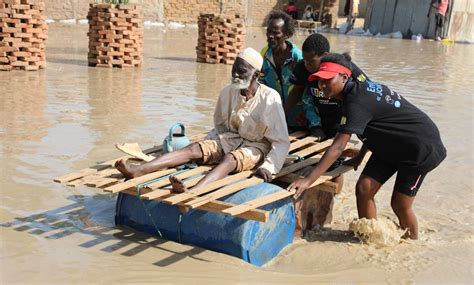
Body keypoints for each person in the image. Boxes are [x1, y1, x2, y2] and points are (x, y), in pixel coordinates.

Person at [288, 53, 446, 239]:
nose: (322, 86)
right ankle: (370, 238)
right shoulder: (353, 94)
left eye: (327, 80)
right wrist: (361, 156)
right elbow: (374, 128)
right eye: (319, 81)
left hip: (420, 149)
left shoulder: (357, 101)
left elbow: (337, 147)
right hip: (391, 145)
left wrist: (309, 180)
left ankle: (412, 243)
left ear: (345, 77)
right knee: (364, 188)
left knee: (400, 205)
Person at [115, 48, 290, 193]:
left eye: (242, 71)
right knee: (194, 148)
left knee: (230, 159)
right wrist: (209, 147)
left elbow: (281, 141)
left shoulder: (269, 98)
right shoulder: (228, 92)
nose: (236, 74)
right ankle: (138, 170)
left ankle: (193, 192)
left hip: (257, 146)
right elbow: (221, 126)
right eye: (234, 69)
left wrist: (269, 166)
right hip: (231, 138)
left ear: (256, 75)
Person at [287, 33, 369, 141]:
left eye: (311, 61)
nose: (307, 65)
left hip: (339, 116)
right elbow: (296, 92)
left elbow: (366, 89)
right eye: (305, 60)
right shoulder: (302, 68)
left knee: (335, 147)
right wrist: (282, 115)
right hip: (317, 117)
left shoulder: (343, 65)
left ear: (325, 55)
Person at [261, 11, 320, 133]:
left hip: (298, 120)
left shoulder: (298, 58)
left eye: (276, 32)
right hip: (274, 119)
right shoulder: (265, 54)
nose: (270, 36)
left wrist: (315, 125)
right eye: (268, 31)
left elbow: (306, 93)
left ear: (286, 35)